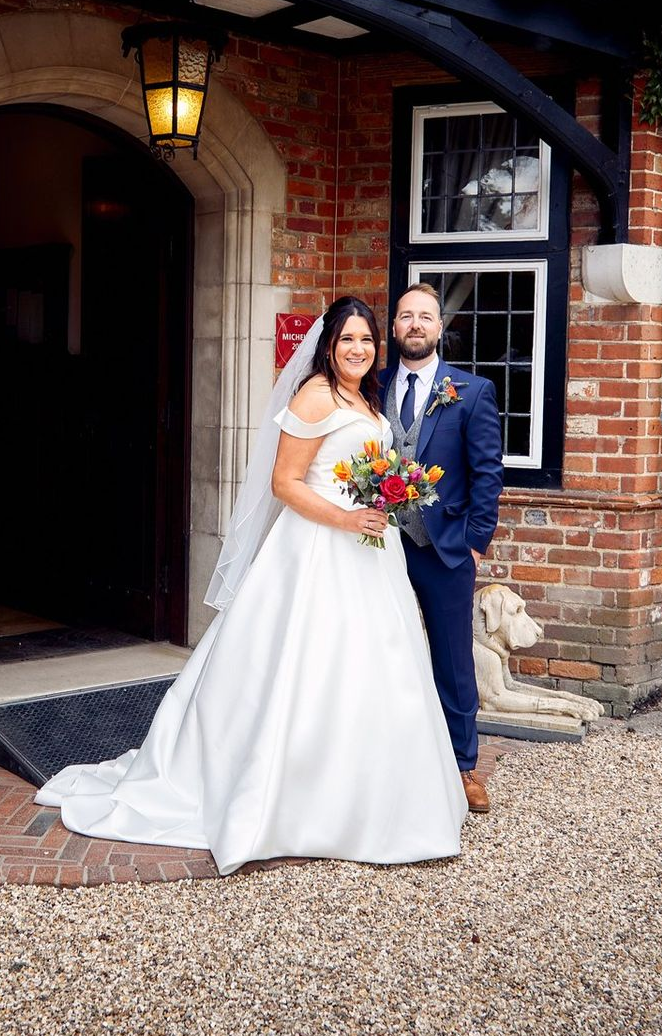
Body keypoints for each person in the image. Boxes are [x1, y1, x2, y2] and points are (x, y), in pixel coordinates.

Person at [35, 296, 467, 876]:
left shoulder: (366, 398)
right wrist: (346, 518)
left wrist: (386, 498)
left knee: (377, 668)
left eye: (366, 340)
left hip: (370, 552)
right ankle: (288, 798)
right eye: (347, 340)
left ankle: (376, 796)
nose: (359, 349)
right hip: (316, 549)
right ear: (329, 346)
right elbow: (285, 482)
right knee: (300, 669)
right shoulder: (315, 394)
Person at [380, 283, 503, 813]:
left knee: (453, 660)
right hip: (380, 546)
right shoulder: (371, 388)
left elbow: (488, 473)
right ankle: (391, 760)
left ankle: (464, 765)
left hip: (445, 548)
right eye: (405, 316)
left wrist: (475, 543)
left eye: (424, 317)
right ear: (393, 328)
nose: (414, 325)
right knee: (383, 653)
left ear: (439, 327)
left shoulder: (470, 391)